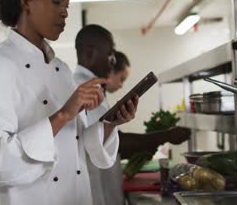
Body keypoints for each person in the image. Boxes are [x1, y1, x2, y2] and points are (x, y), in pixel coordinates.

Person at [0, 0, 138, 205]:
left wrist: (111, 123)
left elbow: (76, 145)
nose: (65, 12)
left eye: (67, 4)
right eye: (56, 1)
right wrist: (63, 114)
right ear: (26, 0)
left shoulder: (60, 69)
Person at [73, 26, 190, 205]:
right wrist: (165, 135)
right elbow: (112, 141)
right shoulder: (85, 89)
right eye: (110, 54)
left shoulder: (92, 88)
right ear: (90, 53)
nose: (113, 61)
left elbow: (108, 140)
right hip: (96, 193)